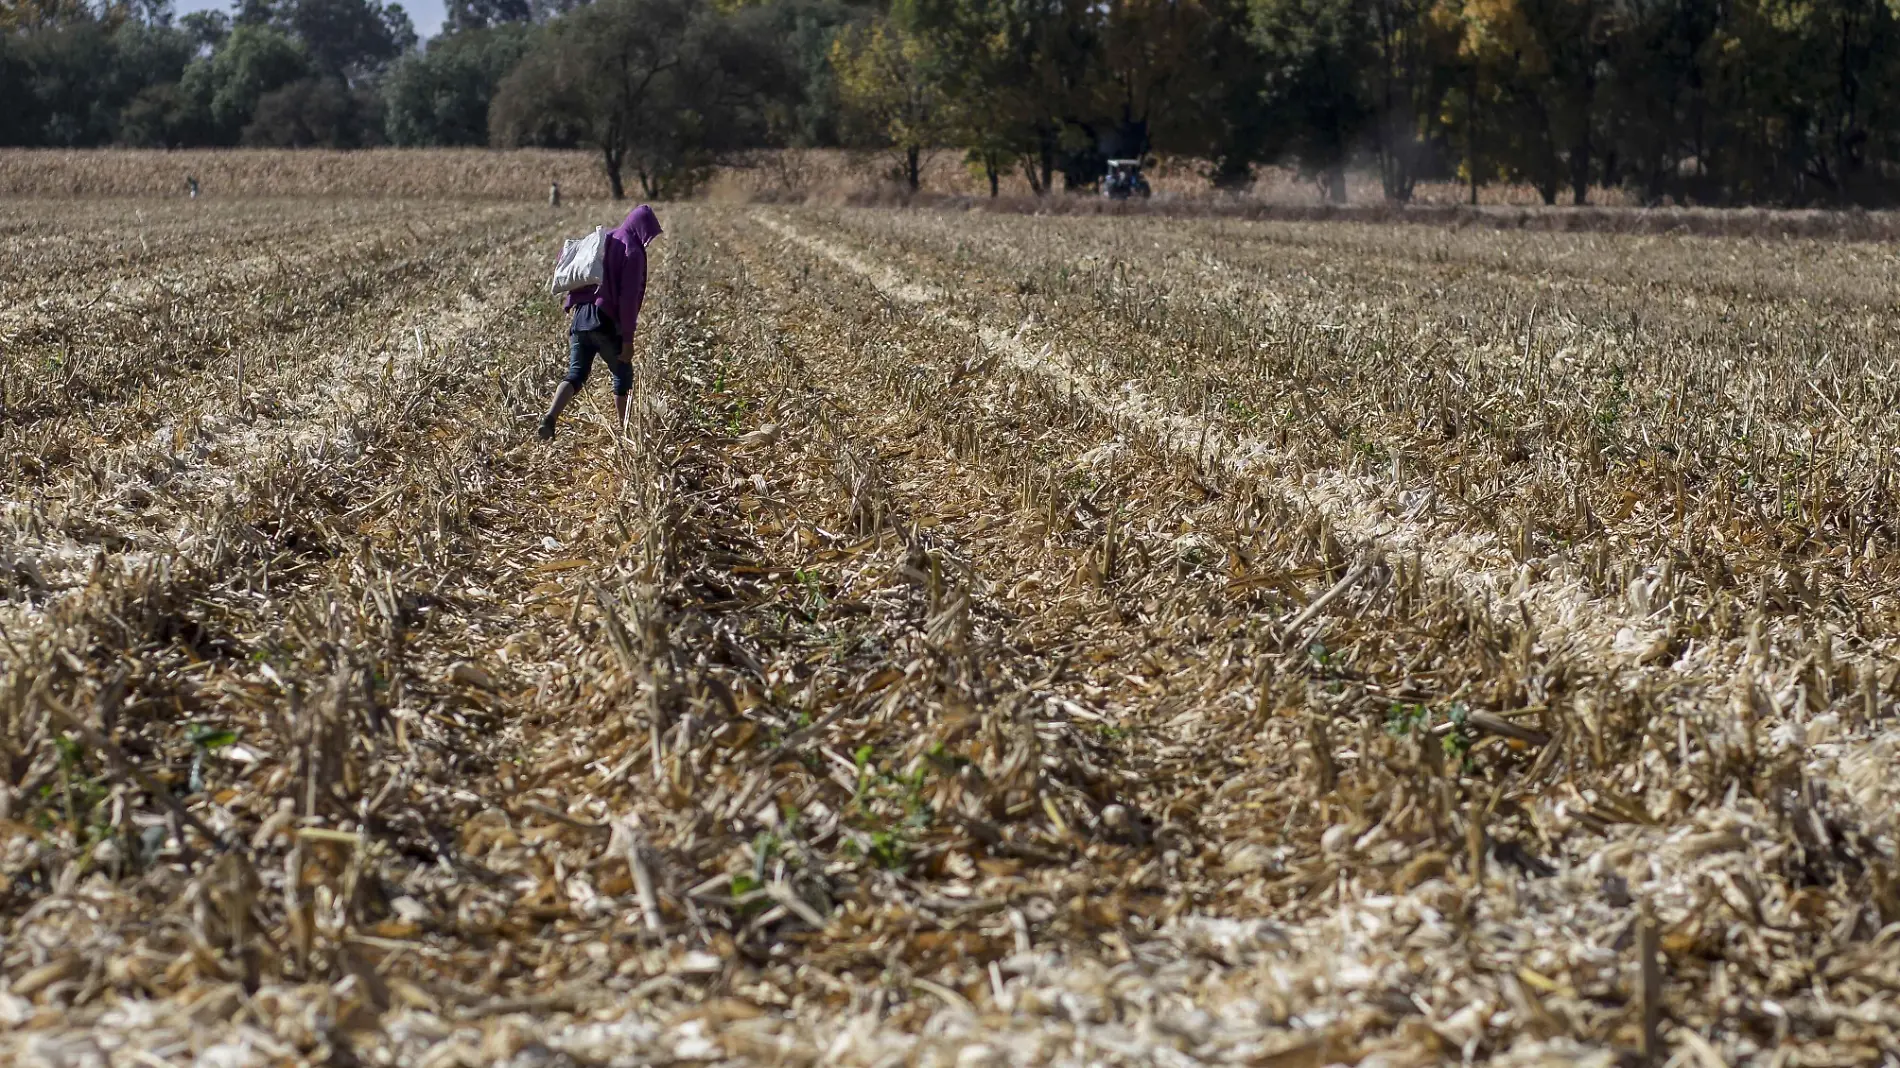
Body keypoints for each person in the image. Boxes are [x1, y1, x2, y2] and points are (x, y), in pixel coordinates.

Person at [539, 205, 663, 440]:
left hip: (580, 318)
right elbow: (627, 299)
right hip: (605, 320)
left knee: (575, 374)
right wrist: (628, 339)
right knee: (622, 373)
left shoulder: (604, 238)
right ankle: (625, 432)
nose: (648, 240)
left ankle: (550, 416)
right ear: (642, 228)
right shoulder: (632, 250)